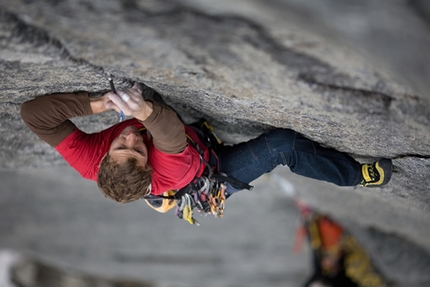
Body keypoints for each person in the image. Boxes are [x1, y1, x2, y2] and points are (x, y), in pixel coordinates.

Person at [20, 83, 392, 210]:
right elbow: (169, 135)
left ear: (102, 159)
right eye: (135, 149)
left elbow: (34, 115)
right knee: (282, 145)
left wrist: (99, 104)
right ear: (149, 167)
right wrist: (144, 110)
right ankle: (356, 176)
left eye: (121, 144)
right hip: (211, 169)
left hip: (188, 145)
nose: (130, 138)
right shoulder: (170, 168)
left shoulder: (90, 161)